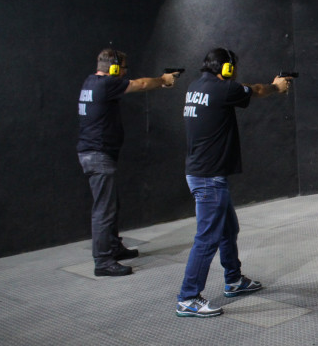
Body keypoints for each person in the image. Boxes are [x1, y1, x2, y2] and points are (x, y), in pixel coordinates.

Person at [175, 48, 291, 318]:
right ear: (226, 69)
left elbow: (242, 89)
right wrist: (277, 86)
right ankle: (188, 297)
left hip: (204, 173)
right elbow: (257, 90)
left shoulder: (196, 86)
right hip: (208, 178)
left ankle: (234, 279)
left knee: (228, 228)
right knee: (207, 238)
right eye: (233, 68)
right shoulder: (224, 90)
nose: (235, 72)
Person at [77, 48, 178, 277]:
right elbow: (140, 84)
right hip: (98, 154)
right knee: (103, 210)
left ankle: (113, 247)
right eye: (122, 68)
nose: (124, 72)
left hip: (97, 154)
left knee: (110, 206)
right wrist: (163, 80)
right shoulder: (105, 85)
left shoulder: (91, 82)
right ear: (113, 67)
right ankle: (103, 261)